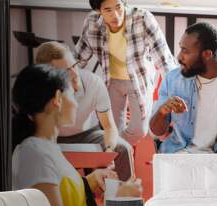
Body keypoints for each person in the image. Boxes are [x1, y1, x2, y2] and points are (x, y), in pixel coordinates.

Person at [12, 64, 141, 206]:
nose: (76, 103)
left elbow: (61, 191)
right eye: (73, 95)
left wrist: (91, 181)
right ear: (58, 98)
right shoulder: (34, 155)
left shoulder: (45, 147)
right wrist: (115, 205)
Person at [75, 0, 177, 146]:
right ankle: (118, 156)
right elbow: (79, 57)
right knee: (111, 127)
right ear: (99, 11)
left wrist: (175, 89)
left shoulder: (142, 18)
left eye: (118, 7)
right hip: (112, 80)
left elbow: (164, 58)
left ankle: (118, 148)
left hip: (139, 79)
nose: (115, 15)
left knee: (139, 130)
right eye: (108, 10)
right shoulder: (92, 22)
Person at [150, 22, 217, 154]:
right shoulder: (173, 79)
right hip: (178, 153)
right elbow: (156, 131)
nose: (179, 57)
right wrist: (162, 112)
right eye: (180, 48)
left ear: (207, 54)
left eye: (185, 51)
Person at [36, 41, 133, 181]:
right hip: (52, 138)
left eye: (74, 65)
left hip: (88, 134)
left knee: (123, 148)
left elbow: (109, 126)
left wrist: (109, 151)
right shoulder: (41, 91)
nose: (74, 73)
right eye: (64, 71)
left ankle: (125, 199)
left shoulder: (93, 82)